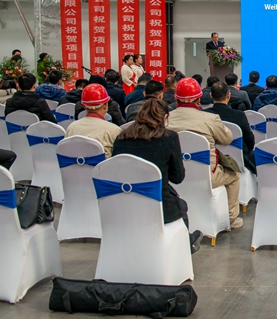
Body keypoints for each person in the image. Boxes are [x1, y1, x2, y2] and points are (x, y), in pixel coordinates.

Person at [111, 98, 203, 253]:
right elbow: (177, 178)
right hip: (160, 205)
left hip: (124, 204)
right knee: (181, 205)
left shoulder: (121, 138)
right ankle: (184, 245)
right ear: (165, 117)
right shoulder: (169, 138)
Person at [167, 77, 242, 229]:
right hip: (208, 175)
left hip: (173, 175)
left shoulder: (166, 119)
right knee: (234, 176)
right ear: (199, 99)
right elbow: (227, 139)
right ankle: (231, 218)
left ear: (176, 98)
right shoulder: (210, 119)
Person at [205, 82, 256, 175]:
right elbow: (250, 142)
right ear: (228, 95)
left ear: (211, 95)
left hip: (212, 159)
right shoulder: (239, 115)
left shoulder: (205, 115)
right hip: (239, 161)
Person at [65, 83, 122, 157]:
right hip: (103, 165)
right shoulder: (114, 130)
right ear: (105, 106)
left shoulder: (71, 128)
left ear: (84, 106)